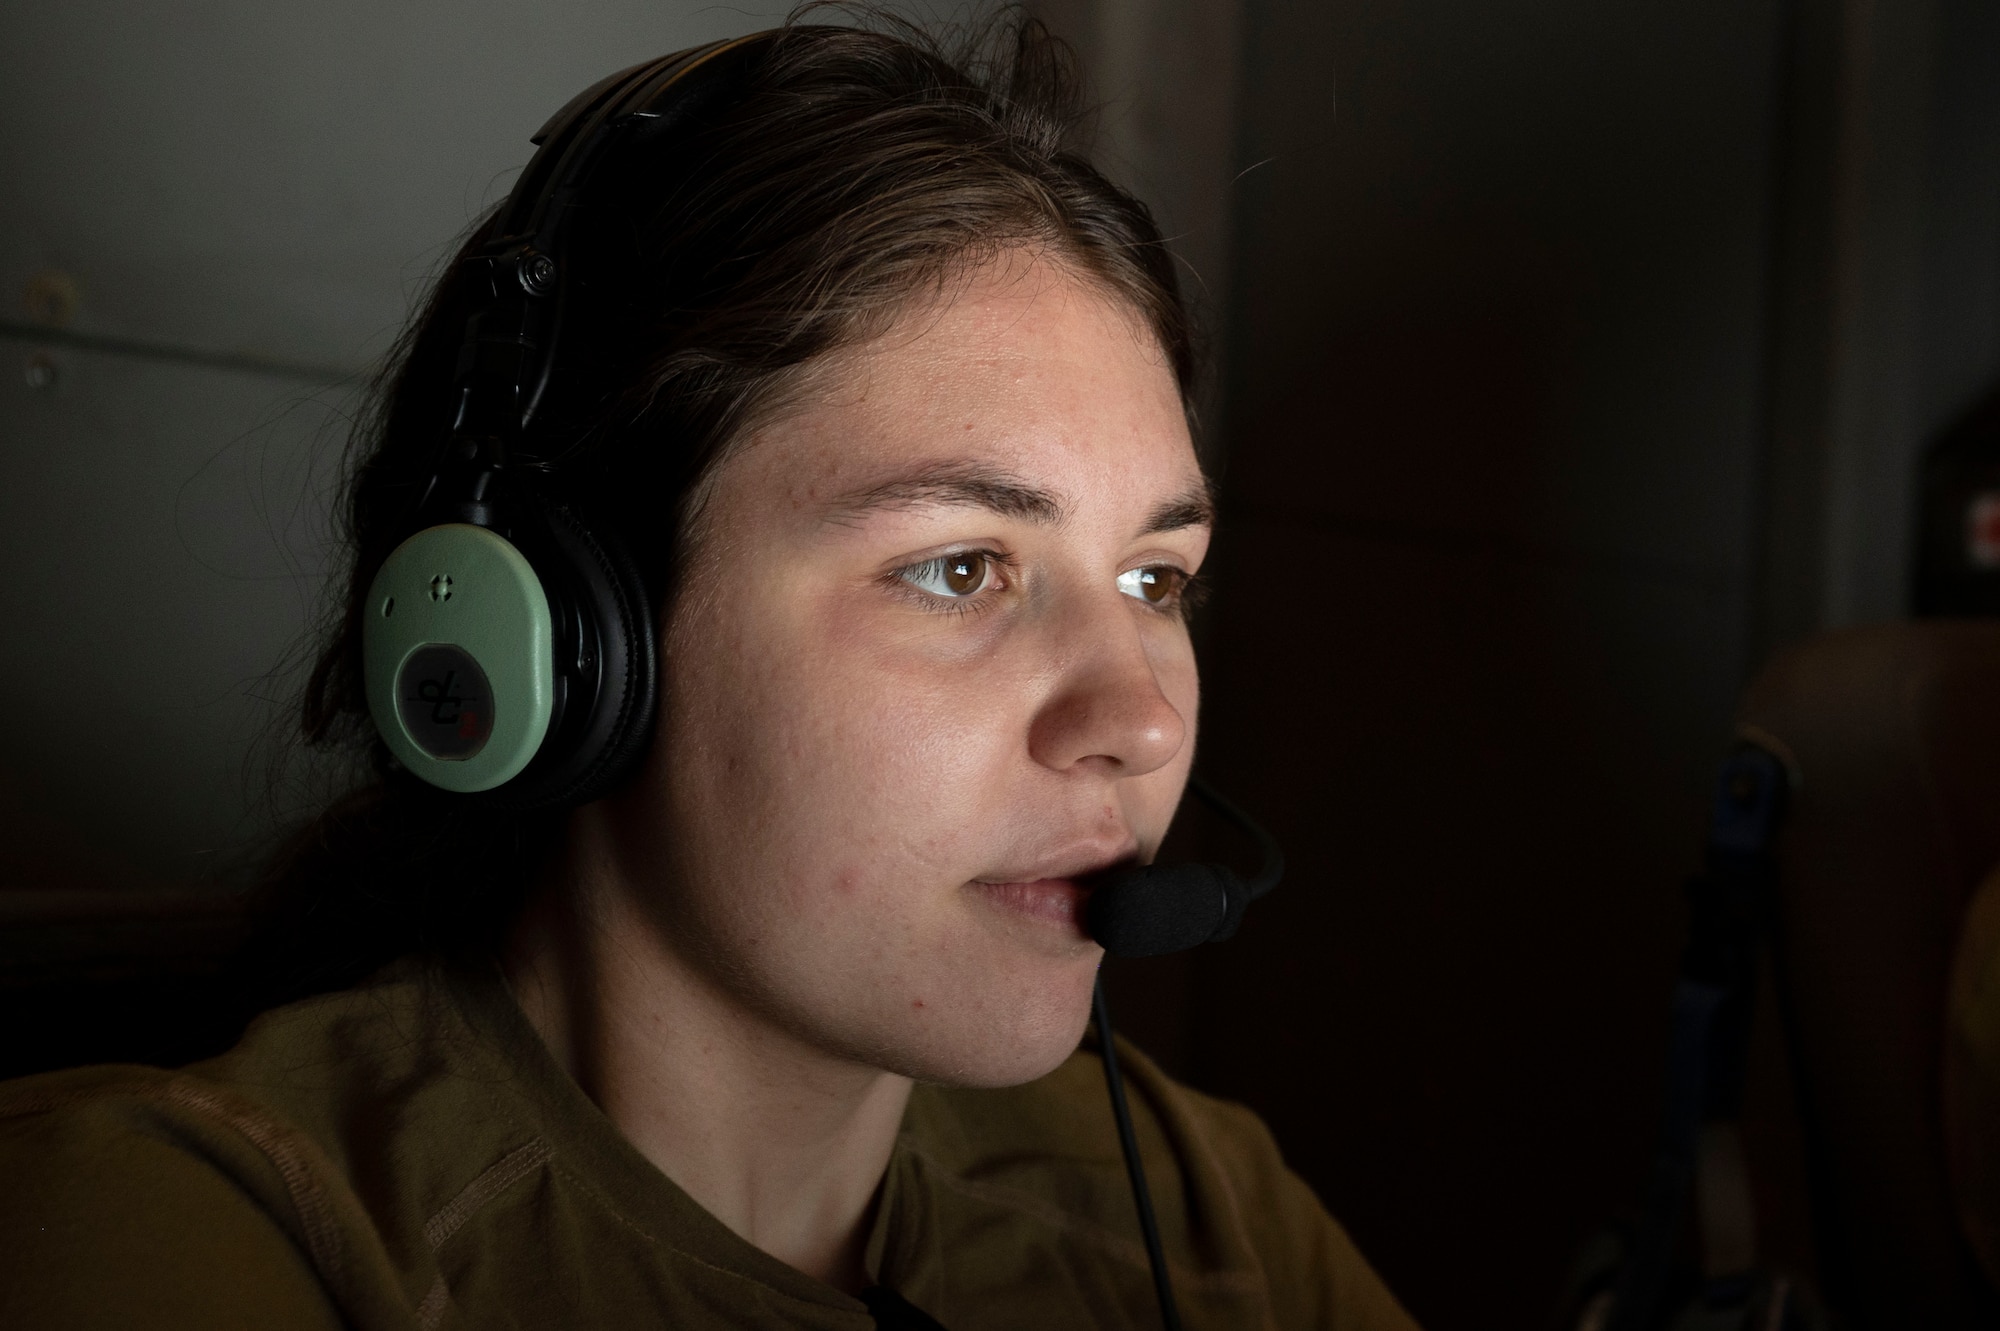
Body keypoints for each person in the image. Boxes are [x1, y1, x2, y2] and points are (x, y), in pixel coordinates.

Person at [0, 12, 1419, 1329]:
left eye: (1152, 580)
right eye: (960, 566)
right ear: (561, 634)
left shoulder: (1200, 1210)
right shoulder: (173, 1242)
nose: (1143, 721)